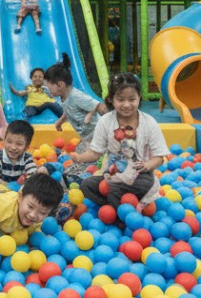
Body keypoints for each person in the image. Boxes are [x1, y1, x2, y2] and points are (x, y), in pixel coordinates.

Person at [69, 74, 166, 209]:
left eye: (132, 99)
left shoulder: (149, 123)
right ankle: (122, 204)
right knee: (87, 185)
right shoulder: (106, 122)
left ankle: (122, 217)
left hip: (140, 178)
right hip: (115, 175)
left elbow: (159, 158)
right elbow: (95, 153)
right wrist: (80, 157)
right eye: (120, 100)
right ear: (111, 99)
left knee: (113, 187)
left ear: (139, 98)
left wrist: (147, 165)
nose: (126, 105)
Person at [46, 60, 106, 182]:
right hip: (87, 137)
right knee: (79, 152)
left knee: (86, 157)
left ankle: (78, 177)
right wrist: (60, 121)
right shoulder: (64, 98)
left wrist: (112, 122)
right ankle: (75, 172)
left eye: (49, 86)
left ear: (60, 85)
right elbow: (69, 111)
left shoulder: (76, 96)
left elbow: (98, 105)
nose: (48, 90)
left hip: (96, 135)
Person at [0, 120, 39, 187]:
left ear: (26, 147)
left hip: (17, 191)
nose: (13, 147)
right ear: (4, 141)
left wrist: (23, 184)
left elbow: (35, 177)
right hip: (1, 190)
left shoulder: (27, 158)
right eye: (9, 142)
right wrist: (3, 184)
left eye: (19, 144)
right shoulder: (0, 157)